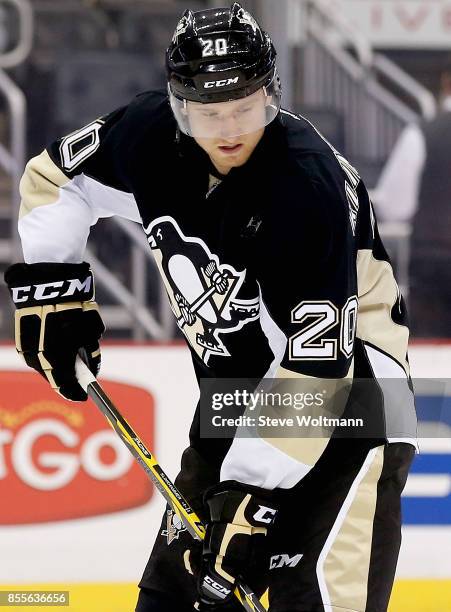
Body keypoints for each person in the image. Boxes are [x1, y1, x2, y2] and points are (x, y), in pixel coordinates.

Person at [4, 4, 417, 611]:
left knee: (305, 594)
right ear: (178, 105)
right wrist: (54, 285)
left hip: (353, 405)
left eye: (246, 107)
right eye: (208, 110)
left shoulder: (306, 187)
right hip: (235, 397)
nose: (229, 128)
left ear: (271, 96)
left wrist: (250, 496)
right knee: (175, 596)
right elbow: (53, 179)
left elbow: (318, 371)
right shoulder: (146, 136)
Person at [373, 60, 451, 337]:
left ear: (445, 83)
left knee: (433, 368)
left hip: (433, 269)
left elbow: (395, 206)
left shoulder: (423, 134)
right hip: (434, 272)